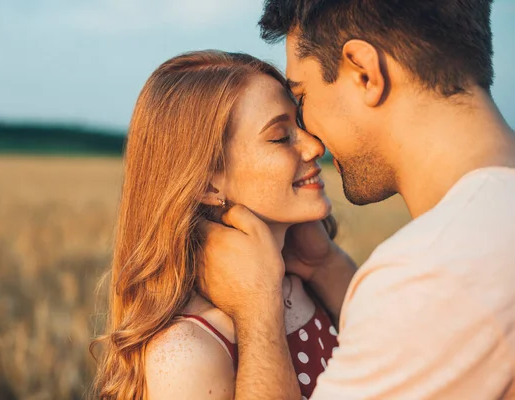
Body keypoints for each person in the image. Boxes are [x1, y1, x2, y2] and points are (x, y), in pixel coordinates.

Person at [200, 0, 515, 399]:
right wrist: (329, 267)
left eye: (302, 97)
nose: (311, 139)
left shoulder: (432, 277)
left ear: (365, 73)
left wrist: (258, 315)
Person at [91, 50, 354, 400]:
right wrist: (258, 310)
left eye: (300, 125)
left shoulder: (305, 284)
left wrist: (325, 264)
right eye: (280, 137)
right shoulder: (186, 352)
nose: (314, 146)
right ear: (208, 183)